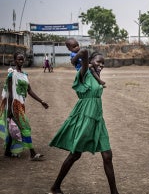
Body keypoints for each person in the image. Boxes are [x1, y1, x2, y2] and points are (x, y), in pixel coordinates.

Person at [49, 50, 118, 194]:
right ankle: (55, 187)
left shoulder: (96, 74)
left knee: (107, 155)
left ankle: (114, 192)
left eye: (103, 63)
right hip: (85, 116)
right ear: (90, 61)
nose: (101, 65)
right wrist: (76, 61)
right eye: (98, 61)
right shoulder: (84, 71)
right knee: (75, 154)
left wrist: (96, 72)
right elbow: (85, 52)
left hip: (98, 118)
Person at [0, 51, 49, 160]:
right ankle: (33, 154)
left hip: (21, 105)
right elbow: (10, 93)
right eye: (19, 59)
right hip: (15, 106)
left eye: (22, 59)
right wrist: (10, 111)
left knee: (13, 129)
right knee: (25, 127)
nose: (21, 61)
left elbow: (29, 90)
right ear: (14, 60)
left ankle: (7, 151)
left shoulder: (24, 74)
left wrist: (41, 101)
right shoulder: (12, 74)